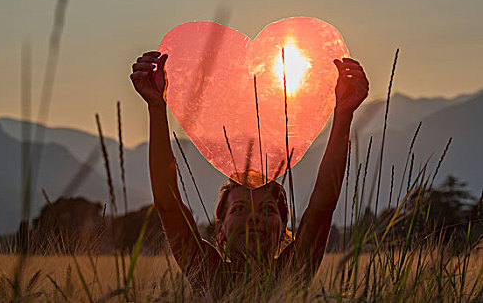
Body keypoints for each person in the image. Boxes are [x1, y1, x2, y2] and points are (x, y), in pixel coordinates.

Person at [130, 50, 368, 297]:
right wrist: (156, 107)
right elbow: (168, 205)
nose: (254, 219)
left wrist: (344, 113)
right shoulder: (210, 275)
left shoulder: (292, 272)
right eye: (240, 209)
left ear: (284, 228)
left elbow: (322, 206)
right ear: (220, 230)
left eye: (267, 210)